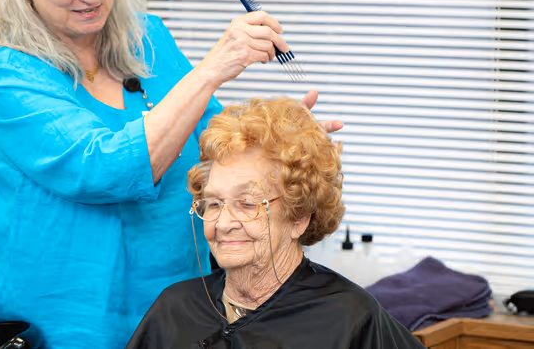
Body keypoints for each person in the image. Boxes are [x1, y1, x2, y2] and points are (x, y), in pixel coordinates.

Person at [0, 0, 343, 347]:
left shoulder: (146, 38)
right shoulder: (7, 76)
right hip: (50, 319)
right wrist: (211, 70)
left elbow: (212, 141)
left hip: (165, 307)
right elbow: (103, 169)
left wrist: (283, 148)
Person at [126, 97, 425, 349]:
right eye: (214, 203)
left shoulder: (350, 318)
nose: (225, 222)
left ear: (298, 217)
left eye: (247, 204)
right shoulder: (175, 309)